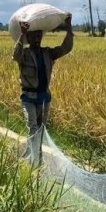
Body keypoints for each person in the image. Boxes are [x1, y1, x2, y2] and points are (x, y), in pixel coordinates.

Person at [12, 14, 73, 142]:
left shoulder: (47, 53)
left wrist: (69, 27)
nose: (37, 39)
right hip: (29, 98)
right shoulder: (25, 55)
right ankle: (33, 154)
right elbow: (16, 55)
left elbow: (65, 48)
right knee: (33, 128)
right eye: (34, 36)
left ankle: (35, 153)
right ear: (28, 38)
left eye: (39, 36)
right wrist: (22, 34)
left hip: (44, 97)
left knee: (41, 129)